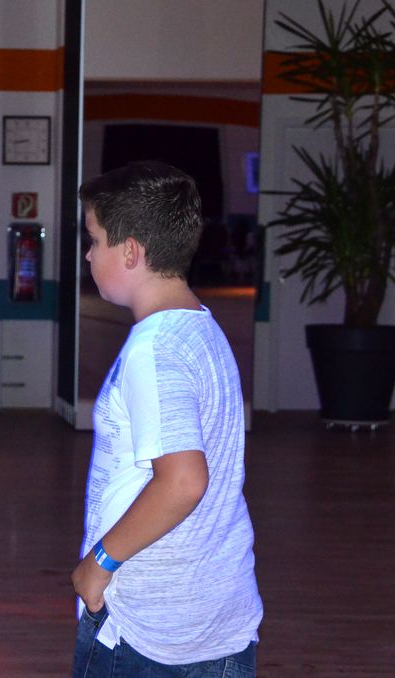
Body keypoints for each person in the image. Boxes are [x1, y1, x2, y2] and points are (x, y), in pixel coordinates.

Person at [71, 161, 263, 676]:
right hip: (217, 618)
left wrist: (99, 562)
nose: (88, 254)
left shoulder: (154, 349)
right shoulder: (202, 329)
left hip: (148, 630)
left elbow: (183, 481)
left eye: (94, 240)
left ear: (130, 252)